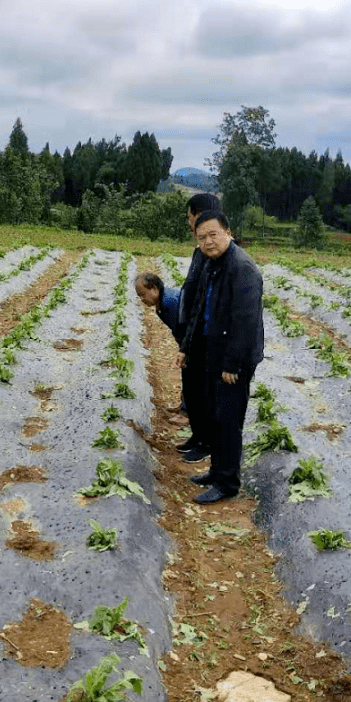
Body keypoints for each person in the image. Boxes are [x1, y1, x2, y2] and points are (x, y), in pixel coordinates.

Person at [178, 210, 264, 504]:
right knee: (215, 415)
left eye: (213, 234)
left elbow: (245, 321)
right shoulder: (212, 263)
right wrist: (187, 346)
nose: (208, 241)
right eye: (202, 237)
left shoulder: (243, 269)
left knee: (227, 420)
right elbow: (199, 305)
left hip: (233, 359)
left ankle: (227, 483)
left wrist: (232, 364)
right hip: (213, 351)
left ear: (228, 232)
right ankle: (216, 471)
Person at [173, 193, 222, 463]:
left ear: (199, 214)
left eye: (190, 216)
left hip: (205, 334)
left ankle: (206, 442)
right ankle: (197, 436)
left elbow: (207, 297)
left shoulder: (215, 255)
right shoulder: (200, 251)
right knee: (191, 387)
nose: (189, 222)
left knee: (204, 391)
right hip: (193, 332)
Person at [135, 272, 186, 413]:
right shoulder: (162, 303)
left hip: (198, 341)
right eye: (139, 296)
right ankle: (184, 408)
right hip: (190, 340)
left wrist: (184, 350)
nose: (142, 299)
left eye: (143, 294)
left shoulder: (169, 303)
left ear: (155, 289)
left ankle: (187, 413)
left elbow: (183, 329)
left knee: (192, 374)